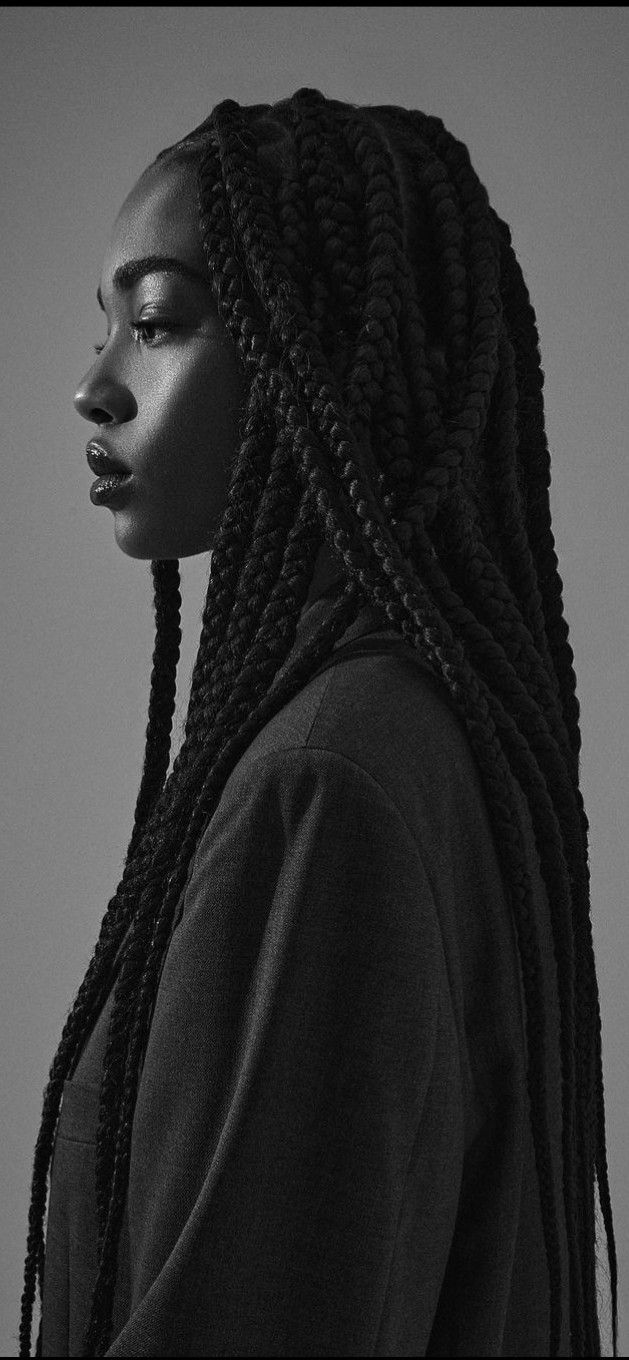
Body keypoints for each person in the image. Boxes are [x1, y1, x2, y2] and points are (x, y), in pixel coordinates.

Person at [18, 89, 617, 1358]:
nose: (95, 387)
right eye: (106, 328)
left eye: (159, 321)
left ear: (314, 354)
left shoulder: (329, 777)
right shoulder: (376, 734)